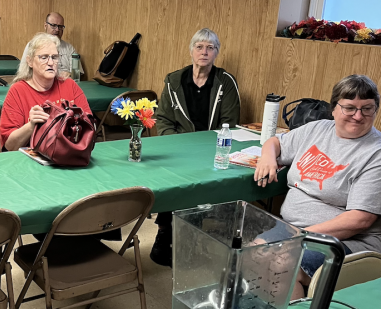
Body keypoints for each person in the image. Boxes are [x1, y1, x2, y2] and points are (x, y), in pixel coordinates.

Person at [255, 74, 381, 300]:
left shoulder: (376, 153)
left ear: (376, 110)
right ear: (333, 108)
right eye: (349, 108)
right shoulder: (318, 129)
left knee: (281, 263)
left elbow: (360, 220)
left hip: (347, 241)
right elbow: (275, 142)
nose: (358, 116)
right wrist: (267, 157)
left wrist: (299, 236)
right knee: (253, 252)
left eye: (367, 108)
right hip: (295, 229)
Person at [151, 28, 241, 267]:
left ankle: (189, 233)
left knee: (196, 180)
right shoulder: (173, 81)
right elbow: (163, 119)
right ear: (191, 51)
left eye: (210, 48)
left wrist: (202, 148)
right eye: (200, 47)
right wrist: (175, 143)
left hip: (210, 149)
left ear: (216, 53)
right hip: (178, 147)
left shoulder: (225, 82)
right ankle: (165, 230)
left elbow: (229, 123)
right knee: (174, 178)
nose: (204, 52)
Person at [0, 32, 92, 151]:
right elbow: (9, 146)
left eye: (54, 57)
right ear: (30, 61)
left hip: (67, 156)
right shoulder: (17, 91)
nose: (50, 63)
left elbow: (89, 126)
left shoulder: (70, 85)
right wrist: (31, 126)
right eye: (44, 57)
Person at [21, 12, 84, 79]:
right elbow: (24, 73)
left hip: (64, 85)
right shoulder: (32, 45)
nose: (57, 30)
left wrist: (70, 75)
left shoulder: (69, 48)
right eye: (53, 25)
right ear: (45, 26)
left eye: (60, 27)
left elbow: (78, 74)